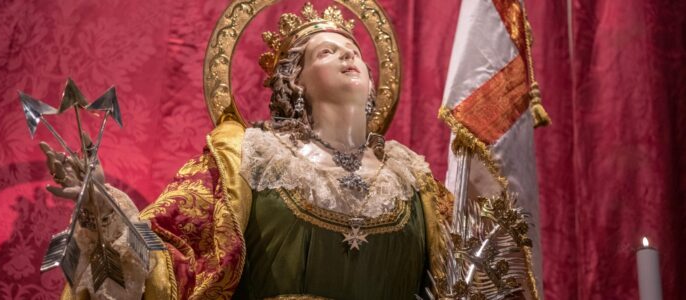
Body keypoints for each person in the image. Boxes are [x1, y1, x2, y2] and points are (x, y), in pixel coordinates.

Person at [42, 3, 454, 299]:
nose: (348, 54)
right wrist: (103, 208)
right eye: (326, 52)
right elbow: (174, 263)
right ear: (296, 82)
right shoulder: (247, 157)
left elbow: (461, 280)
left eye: (356, 53)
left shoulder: (412, 177)